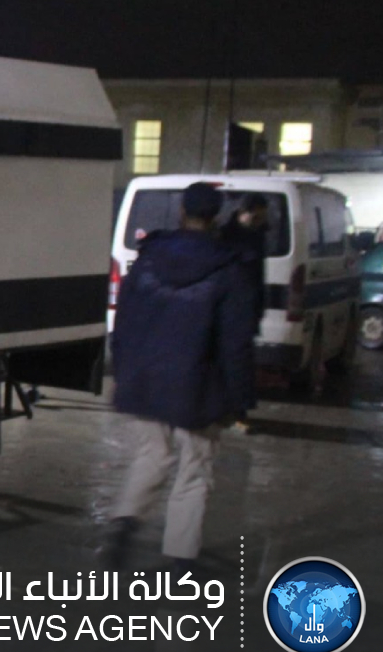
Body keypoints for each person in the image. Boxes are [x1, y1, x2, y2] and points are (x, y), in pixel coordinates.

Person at [104, 181, 257, 574]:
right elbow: (235, 342)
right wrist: (240, 398)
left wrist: (123, 371)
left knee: (152, 455)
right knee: (194, 467)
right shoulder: (230, 268)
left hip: (147, 376)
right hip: (198, 384)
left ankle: (122, 527)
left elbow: (124, 321)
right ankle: (181, 558)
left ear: (182, 211)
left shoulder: (148, 259)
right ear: (216, 217)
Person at [219, 193, 271, 426]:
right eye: (257, 216)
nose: (260, 221)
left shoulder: (257, 236)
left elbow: (257, 278)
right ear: (244, 212)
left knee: (241, 364)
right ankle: (234, 412)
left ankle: (237, 411)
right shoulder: (228, 238)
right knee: (234, 364)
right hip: (231, 310)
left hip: (246, 310)